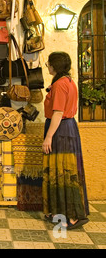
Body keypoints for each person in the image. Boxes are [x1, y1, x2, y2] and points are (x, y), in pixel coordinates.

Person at [42, 52, 89, 230]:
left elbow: (58, 113)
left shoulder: (61, 84)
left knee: (64, 172)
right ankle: (59, 212)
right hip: (65, 128)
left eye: (49, 63)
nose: (47, 66)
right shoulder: (67, 81)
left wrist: (48, 137)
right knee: (59, 171)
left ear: (56, 66)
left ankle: (73, 216)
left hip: (60, 130)